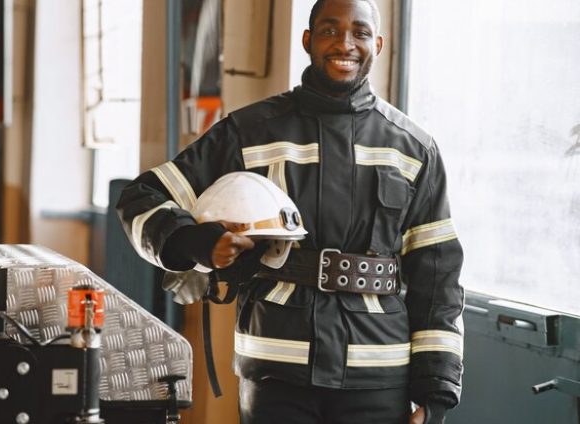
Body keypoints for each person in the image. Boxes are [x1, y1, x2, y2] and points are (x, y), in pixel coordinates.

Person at [117, 0, 464, 422]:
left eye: (359, 32)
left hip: (379, 375)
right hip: (276, 370)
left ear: (378, 43)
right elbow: (141, 197)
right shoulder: (250, 131)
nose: (345, 44)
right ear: (308, 40)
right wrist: (198, 243)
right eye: (330, 31)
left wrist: (436, 392)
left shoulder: (412, 148)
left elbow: (438, 275)